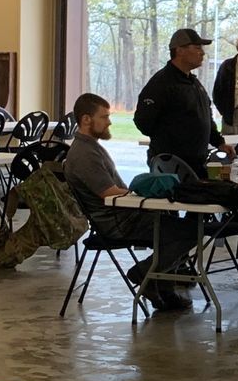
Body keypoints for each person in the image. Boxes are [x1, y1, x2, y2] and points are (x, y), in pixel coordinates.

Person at [63, 93, 193, 311]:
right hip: (117, 222)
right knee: (189, 232)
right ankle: (145, 274)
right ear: (86, 120)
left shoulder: (91, 147)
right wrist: (143, 195)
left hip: (122, 216)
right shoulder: (84, 154)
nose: (109, 122)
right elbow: (109, 194)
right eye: (104, 117)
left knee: (174, 222)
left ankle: (161, 287)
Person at [134, 28, 219, 178]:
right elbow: (143, 121)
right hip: (171, 167)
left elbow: (206, 115)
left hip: (196, 165)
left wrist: (219, 142)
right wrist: (171, 137)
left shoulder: (194, 83)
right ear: (180, 51)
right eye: (197, 47)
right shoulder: (161, 83)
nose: (202, 53)